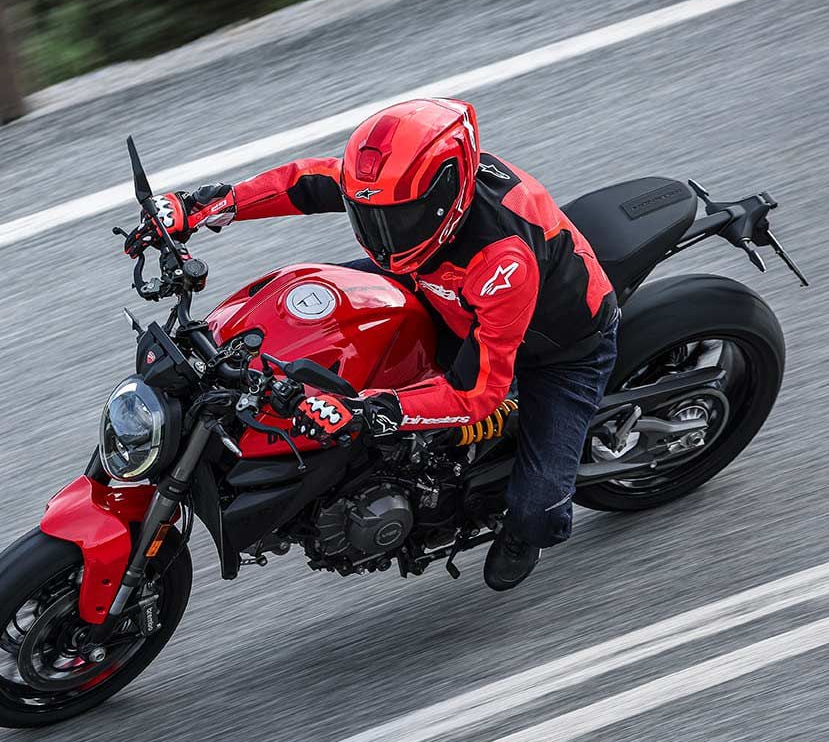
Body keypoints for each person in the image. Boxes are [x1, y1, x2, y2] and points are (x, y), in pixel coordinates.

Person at [127, 98, 617, 591]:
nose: (383, 236)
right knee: (301, 310)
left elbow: (476, 392)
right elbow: (306, 181)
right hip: (438, 291)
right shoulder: (406, 194)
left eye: (396, 221)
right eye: (369, 217)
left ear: (445, 198)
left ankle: (524, 533)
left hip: (554, 349)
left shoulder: (502, 259)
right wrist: (205, 207)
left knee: (537, 509)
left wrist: (365, 411)